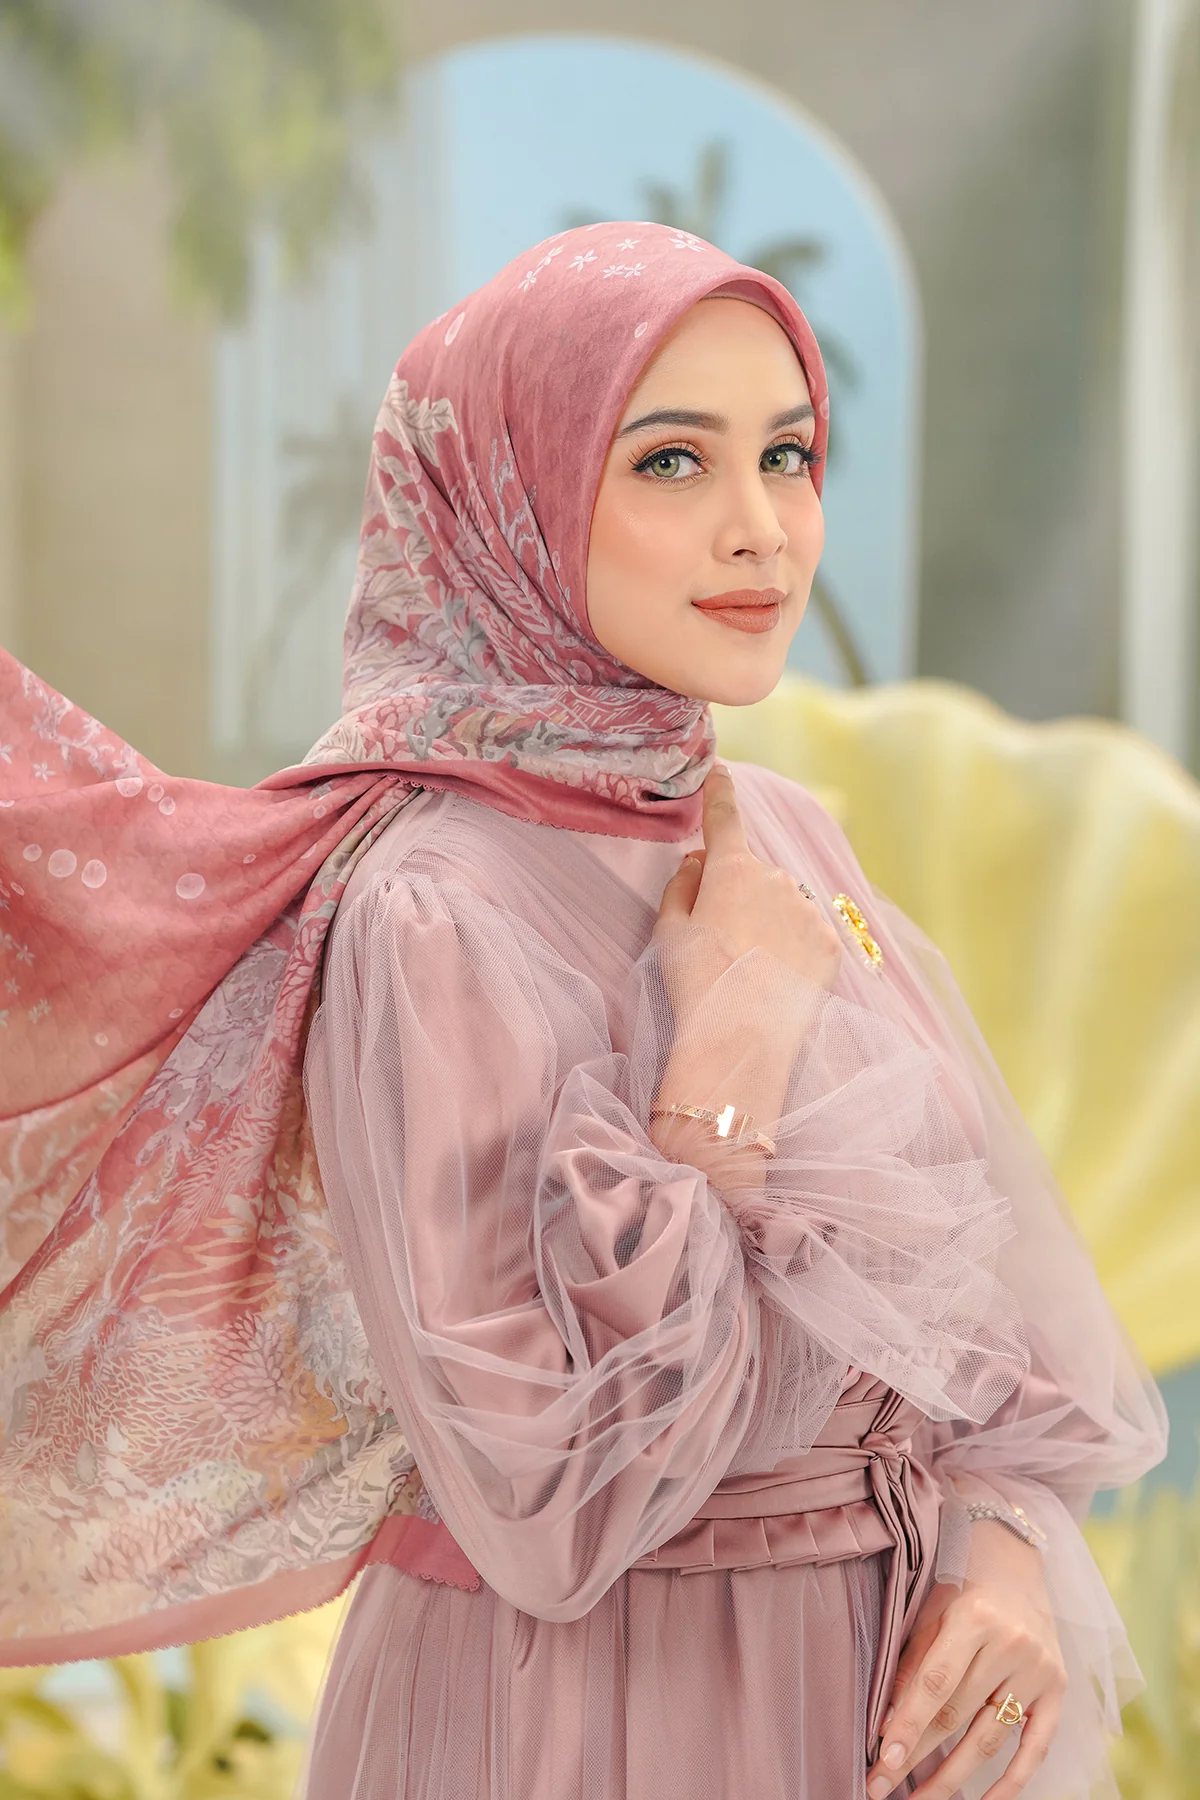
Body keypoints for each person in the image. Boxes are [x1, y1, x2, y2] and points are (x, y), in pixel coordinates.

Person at [0, 224, 1166, 1800]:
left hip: (872, 1706)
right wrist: (726, 1065)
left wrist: (1006, 1549)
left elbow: (978, 1328)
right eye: (672, 460)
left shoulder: (776, 832)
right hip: (587, 1719)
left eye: (788, 455)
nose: (760, 528)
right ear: (513, 501)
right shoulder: (431, 905)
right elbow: (552, 1497)